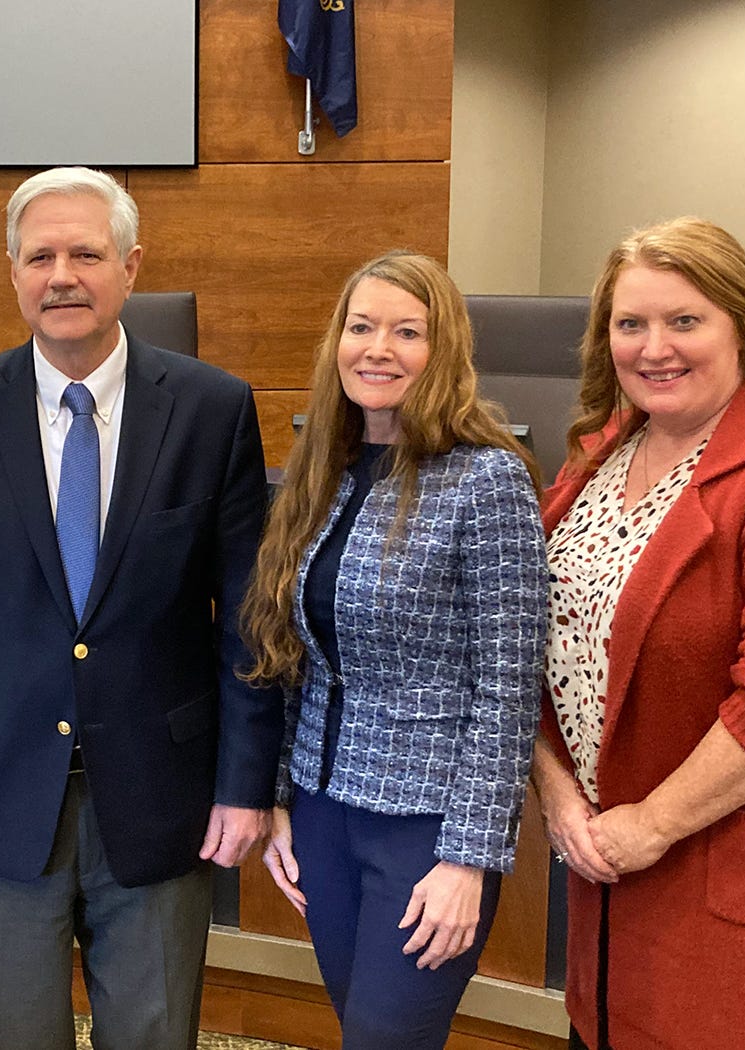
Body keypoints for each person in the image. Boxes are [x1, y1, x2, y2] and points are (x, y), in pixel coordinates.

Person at [0, 166, 279, 1050]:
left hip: (164, 797)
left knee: (153, 1036)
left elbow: (248, 622)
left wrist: (245, 784)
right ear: (13, 274)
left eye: (86, 255)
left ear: (130, 268)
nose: (61, 276)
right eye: (40, 257)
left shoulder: (212, 409)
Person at [532, 217, 745, 1049]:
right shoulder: (602, 451)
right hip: (605, 875)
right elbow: (536, 642)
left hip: (721, 868)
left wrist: (651, 824)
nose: (654, 347)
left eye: (684, 320)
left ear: (741, 325)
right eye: (630, 323)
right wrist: (554, 789)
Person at [241, 251, 546, 1048]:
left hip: (425, 829)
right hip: (323, 815)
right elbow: (295, 655)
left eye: (407, 332)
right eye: (362, 327)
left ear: (443, 351)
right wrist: (281, 798)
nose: (378, 349)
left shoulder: (487, 480)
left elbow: (509, 687)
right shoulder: (323, 472)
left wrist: (470, 859)